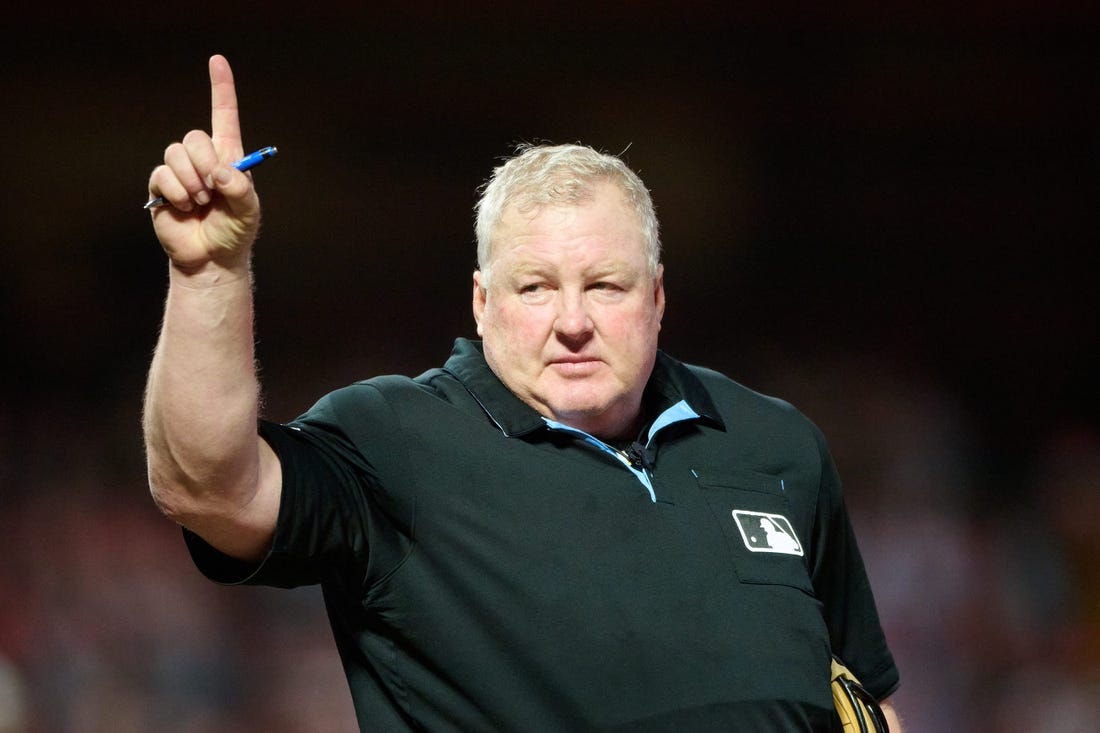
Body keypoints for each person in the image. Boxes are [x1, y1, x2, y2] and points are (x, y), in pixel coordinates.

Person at [143, 54, 904, 732]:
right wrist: (208, 273)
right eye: (535, 287)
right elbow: (207, 485)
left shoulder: (774, 442)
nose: (572, 322)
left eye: (605, 285)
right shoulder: (396, 440)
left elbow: (861, 698)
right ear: (481, 302)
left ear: (659, 296)